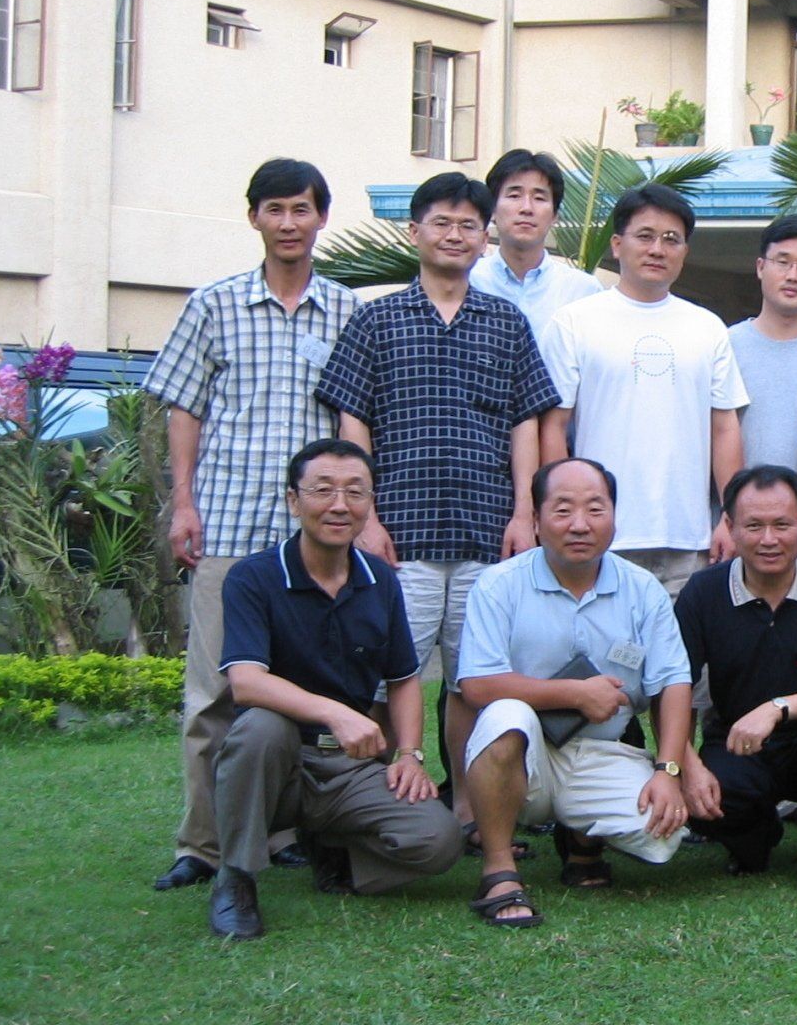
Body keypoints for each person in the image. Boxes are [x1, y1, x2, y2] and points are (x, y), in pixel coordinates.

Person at [315, 172, 558, 844]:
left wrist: (524, 514)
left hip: (486, 532)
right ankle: (368, 806)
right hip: (400, 535)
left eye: (468, 226)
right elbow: (352, 419)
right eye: (441, 223)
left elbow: (525, 423)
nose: (455, 236)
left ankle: (469, 811)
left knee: (472, 681)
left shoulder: (506, 322)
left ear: (485, 238)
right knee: (383, 674)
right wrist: (364, 518)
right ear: (414, 232)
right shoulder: (376, 320)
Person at [143, 157, 357, 892]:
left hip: (312, 541)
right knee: (214, 692)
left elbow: (355, 423)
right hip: (229, 524)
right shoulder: (214, 304)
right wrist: (184, 502)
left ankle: (286, 830)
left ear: (321, 217)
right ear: (254, 218)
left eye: (302, 209)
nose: (289, 223)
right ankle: (202, 845)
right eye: (275, 209)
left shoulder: (347, 312)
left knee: (296, 691)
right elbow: (185, 408)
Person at [207, 439, 461, 940]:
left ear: (370, 503)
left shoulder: (380, 580)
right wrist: (335, 713)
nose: (340, 505)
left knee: (439, 840)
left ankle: (336, 855)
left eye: (355, 491)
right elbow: (246, 681)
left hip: (349, 766)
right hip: (278, 763)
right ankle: (235, 877)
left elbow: (403, 678)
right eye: (323, 490)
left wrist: (410, 754)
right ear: (293, 500)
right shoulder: (253, 577)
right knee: (261, 727)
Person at [456, 458, 701, 926]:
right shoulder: (499, 585)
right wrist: (574, 693)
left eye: (595, 508)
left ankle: (581, 837)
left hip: (599, 752)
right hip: (523, 753)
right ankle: (499, 869)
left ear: (614, 517)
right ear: (536, 519)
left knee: (662, 836)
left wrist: (669, 770)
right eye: (563, 509)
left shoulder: (642, 590)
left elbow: (672, 682)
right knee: (506, 715)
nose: (580, 524)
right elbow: (478, 684)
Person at [539, 182, 748, 598]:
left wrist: (731, 516)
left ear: (685, 252)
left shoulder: (707, 327)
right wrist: (560, 515)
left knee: (683, 643)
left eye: (671, 239)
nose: (658, 249)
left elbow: (724, 427)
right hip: (598, 536)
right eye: (645, 236)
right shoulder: (574, 322)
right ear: (617, 245)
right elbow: (553, 426)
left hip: (688, 540)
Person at [674, 466, 797, 895]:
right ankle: (756, 836)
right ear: (730, 526)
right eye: (754, 526)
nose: (769, 539)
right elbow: (674, 688)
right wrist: (684, 767)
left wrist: (776, 709)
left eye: (782, 525)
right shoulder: (703, 592)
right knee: (708, 798)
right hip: (737, 743)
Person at [728, 217, 797, 475]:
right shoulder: (724, 346)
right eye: (782, 262)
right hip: (737, 499)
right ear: (760, 267)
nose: (792, 275)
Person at [468, 147, 602, 342]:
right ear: (493, 210)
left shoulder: (583, 291)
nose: (527, 208)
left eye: (539, 198)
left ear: (555, 215)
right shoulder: (468, 281)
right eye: (514, 196)